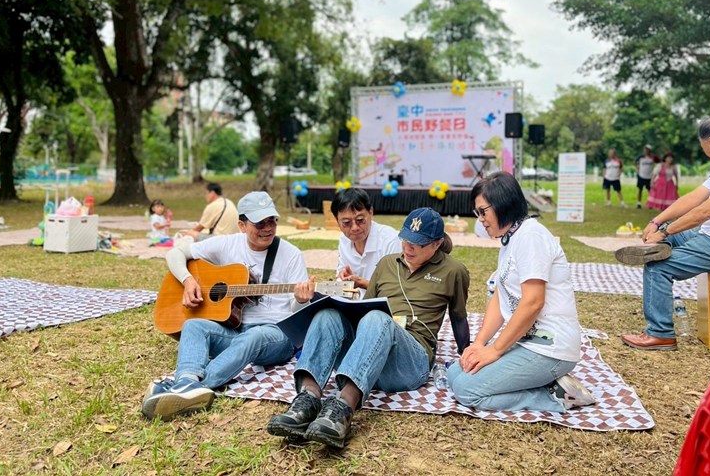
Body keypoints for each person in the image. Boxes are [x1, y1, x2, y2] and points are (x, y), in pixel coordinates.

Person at [267, 207, 470, 448]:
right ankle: (306, 401)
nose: (409, 248)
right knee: (328, 314)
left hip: (410, 361)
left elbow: (459, 317)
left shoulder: (454, 271)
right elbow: (365, 308)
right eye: (406, 240)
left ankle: (342, 409)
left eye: (419, 244)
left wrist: (466, 351)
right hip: (371, 357)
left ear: (437, 244)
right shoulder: (386, 264)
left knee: (377, 318)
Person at [141, 191, 307, 420]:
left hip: (277, 334)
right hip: (236, 330)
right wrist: (188, 281)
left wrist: (301, 300)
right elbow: (175, 253)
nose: (268, 228)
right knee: (194, 325)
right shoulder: (227, 244)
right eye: (260, 223)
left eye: (272, 221)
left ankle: (194, 388)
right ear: (242, 225)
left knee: (255, 336)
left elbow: (299, 316)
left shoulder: (291, 254)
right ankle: (187, 380)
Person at [447, 172, 594, 413]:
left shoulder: (531, 236)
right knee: (455, 374)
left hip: (551, 349)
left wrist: (495, 350)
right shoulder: (511, 239)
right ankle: (546, 383)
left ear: (503, 204)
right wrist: (480, 344)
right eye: (477, 213)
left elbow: (533, 302)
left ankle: (557, 396)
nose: (480, 220)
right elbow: (500, 297)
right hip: (526, 343)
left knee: (466, 390)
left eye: (483, 212)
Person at [618, 116, 710, 351]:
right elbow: (694, 198)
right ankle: (658, 248)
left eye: (701, 144)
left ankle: (660, 334)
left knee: (658, 267)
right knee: (665, 241)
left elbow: (705, 211)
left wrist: (663, 231)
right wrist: (657, 222)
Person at [331, 187, 401, 294]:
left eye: (360, 220)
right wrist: (343, 277)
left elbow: (394, 288)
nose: (354, 228)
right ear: (337, 221)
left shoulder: (390, 240)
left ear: (371, 212)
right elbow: (341, 273)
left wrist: (360, 283)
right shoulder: (344, 239)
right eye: (346, 222)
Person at [635, 145, 657, 209]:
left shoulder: (653, 157)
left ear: (650, 150)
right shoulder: (640, 157)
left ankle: (650, 204)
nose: (646, 151)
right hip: (641, 176)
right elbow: (635, 162)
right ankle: (639, 203)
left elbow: (660, 162)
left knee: (650, 191)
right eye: (645, 149)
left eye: (647, 150)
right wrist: (637, 168)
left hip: (650, 177)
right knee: (640, 190)